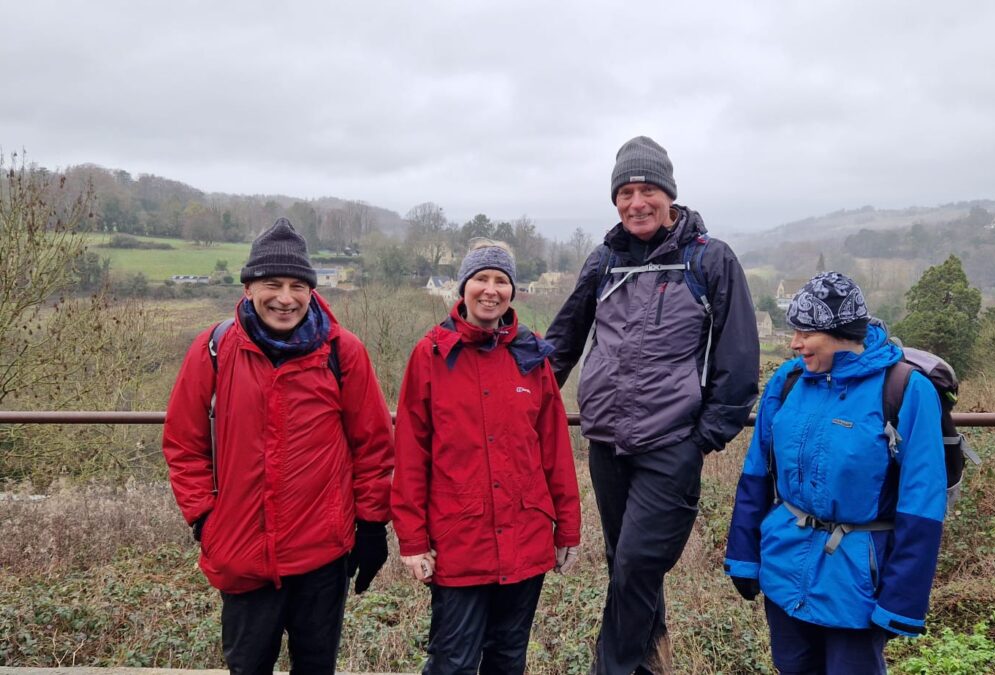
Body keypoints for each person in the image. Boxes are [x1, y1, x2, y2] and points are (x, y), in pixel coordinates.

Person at [544, 136, 760, 674]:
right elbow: (564, 340)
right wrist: (519, 396)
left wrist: (702, 439)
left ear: (669, 195)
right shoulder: (605, 260)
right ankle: (648, 666)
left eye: (648, 191)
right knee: (626, 567)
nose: (636, 202)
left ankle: (609, 670)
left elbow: (737, 358)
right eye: (626, 192)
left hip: (671, 444)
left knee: (638, 563)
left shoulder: (708, 259)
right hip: (607, 442)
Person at [163, 217, 395, 675]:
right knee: (247, 666)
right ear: (248, 287)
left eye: (297, 286)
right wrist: (204, 517)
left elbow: (372, 448)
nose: (285, 298)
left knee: (315, 666)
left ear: (311, 291)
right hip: (243, 550)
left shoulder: (341, 353)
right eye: (272, 284)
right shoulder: (214, 348)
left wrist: (371, 527)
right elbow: (183, 442)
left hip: (322, 553)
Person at [724, 272, 947, 675]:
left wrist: (900, 600)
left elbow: (923, 502)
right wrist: (743, 556)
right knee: (790, 666)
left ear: (840, 332)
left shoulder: (904, 390)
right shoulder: (788, 381)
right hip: (784, 563)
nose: (795, 343)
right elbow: (756, 473)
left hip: (857, 580)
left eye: (806, 332)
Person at [392, 240, 582, 675]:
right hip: (460, 540)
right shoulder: (432, 354)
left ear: (513, 290)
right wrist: (413, 539)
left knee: (507, 658)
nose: (491, 289)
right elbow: (410, 453)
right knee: (452, 661)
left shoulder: (532, 356)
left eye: (501, 280)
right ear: (463, 287)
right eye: (481, 279)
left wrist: (568, 528)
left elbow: (555, 451)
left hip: (525, 534)